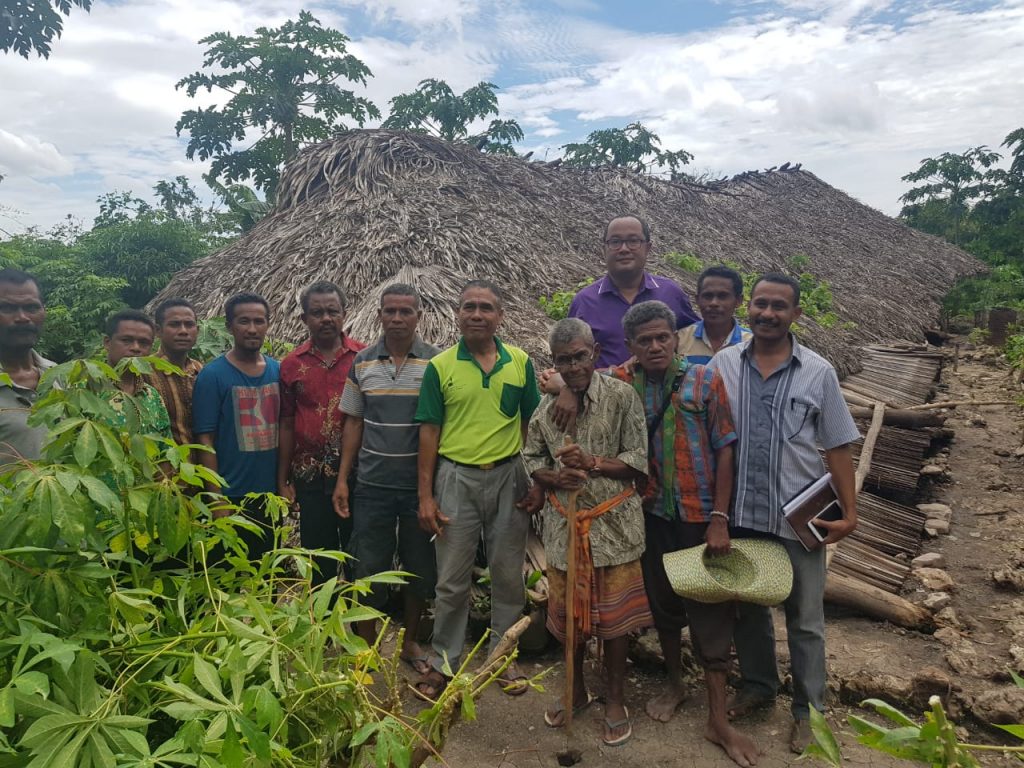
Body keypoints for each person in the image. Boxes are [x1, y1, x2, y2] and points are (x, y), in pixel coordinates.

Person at [706, 273, 860, 754]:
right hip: (743, 513)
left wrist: (850, 513)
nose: (767, 313)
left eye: (779, 306)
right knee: (749, 610)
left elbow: (837, 446)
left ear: (795, 314)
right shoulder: (722, 364)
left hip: (799, 517)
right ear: (747, 308)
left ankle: (809, 712)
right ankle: (758, 686)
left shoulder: (819, 372)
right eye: (760, 304)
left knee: (805, 619)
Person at [608, 300, 759, 767]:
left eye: (663, 337)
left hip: (698, 514)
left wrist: (719, 517)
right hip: (651, 515)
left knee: (712, 611)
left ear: (676, 337)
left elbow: (726, 449)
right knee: (665, 606)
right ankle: (675, 684)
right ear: (630, 345)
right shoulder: (622, 383)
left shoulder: (704, 379)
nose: (655, 346)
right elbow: (578, 387)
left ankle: (718, 718)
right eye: (644, 340)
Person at [524, 318, 651, 748]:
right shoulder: (545, 410)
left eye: (580, 356)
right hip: (564, 530)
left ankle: (615, 699)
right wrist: (553, 477)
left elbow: (637, 460)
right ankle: (575, 691)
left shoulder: (622, 397)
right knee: (570, 619)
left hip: (614, 529)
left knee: (614, 623)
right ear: (554, 363)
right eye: (564, 360)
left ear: (594, 353)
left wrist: (592, 462)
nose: (574, 366)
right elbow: (530, 458)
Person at [413, 279, 541, 699]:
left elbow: (531, 424)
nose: (477, 314)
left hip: (508, 476)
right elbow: (429, 431)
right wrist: (426, 495)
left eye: (486, 307)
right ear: (457, 313)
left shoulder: (520, 362)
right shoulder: (442, 366)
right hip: (455, 477)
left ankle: (503, 657)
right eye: (469, 306)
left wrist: (532, 477)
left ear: (500, 316)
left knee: (507, 576)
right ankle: (443, 662)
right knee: (451, 578)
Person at [333, 284, 439, 672]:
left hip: (419, 489)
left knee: (419, 567)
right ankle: (365, 645)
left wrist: (431, 491)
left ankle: (410, 643)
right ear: (379, 315)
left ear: (418, 315)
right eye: (390, 311)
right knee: (368, 567)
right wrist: (344, 479)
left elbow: (439, 426)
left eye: (405, 311)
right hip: (372, 486)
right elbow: (354, 423)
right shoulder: (362, 362)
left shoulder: (436, 364)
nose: (397, 319)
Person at [277, 281, 365, 587]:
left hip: (358, 475)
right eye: (317, 312)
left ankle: (360, 631)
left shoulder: (364, 359)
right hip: (310, 478)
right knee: (318, 559)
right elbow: (286, 423)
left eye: (332, 311)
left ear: (344, 313)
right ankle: (322, 632)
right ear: (304, 318)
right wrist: (283, 478)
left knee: (359, 557)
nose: (325, 318)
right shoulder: (290, 365)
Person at [193, 293, 281, 560]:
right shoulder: (213, 375)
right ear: (230, 326)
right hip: (230, 495)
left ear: (268, 324)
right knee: (228, 578)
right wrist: (216, 497)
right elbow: (204, 439)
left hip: (269, 497)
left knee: (265, 576)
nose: (252, 328)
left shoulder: (279, 371)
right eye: (244, 321)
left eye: (259, 321)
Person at [569, 214, 697, 368]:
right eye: (615, 242)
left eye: (633, 241)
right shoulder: (584, 302)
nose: (624, 249)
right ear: (604, 249)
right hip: (605, 391)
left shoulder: (671, 294)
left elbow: (697, 339)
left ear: (648, 248)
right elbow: (569, 357)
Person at [0, 268, 55, 470]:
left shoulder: (61, 376)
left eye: (31, 307)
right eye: (7, 308)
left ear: (44, 311)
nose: (22, 317)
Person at [102, 309, 171, 438]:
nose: (136, 348)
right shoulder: (86, 387)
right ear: (107, 343)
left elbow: (166, 448)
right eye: (126, 340)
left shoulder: (153, 396)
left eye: (144, 343)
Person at [145, 298, 202, 447]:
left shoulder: (201, 371)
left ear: (197, 330)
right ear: (158, 331)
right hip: (164, 467)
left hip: (205, 467)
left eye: (189, 324)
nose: (183, 331)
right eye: (174, 324)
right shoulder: (143, 372)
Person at [677, 265, 752, 365]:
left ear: (738, 301)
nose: (714, 303)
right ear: (697, 300)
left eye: (722, 296)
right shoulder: (680, 340)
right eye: (707, 296)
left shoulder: (751, 344)